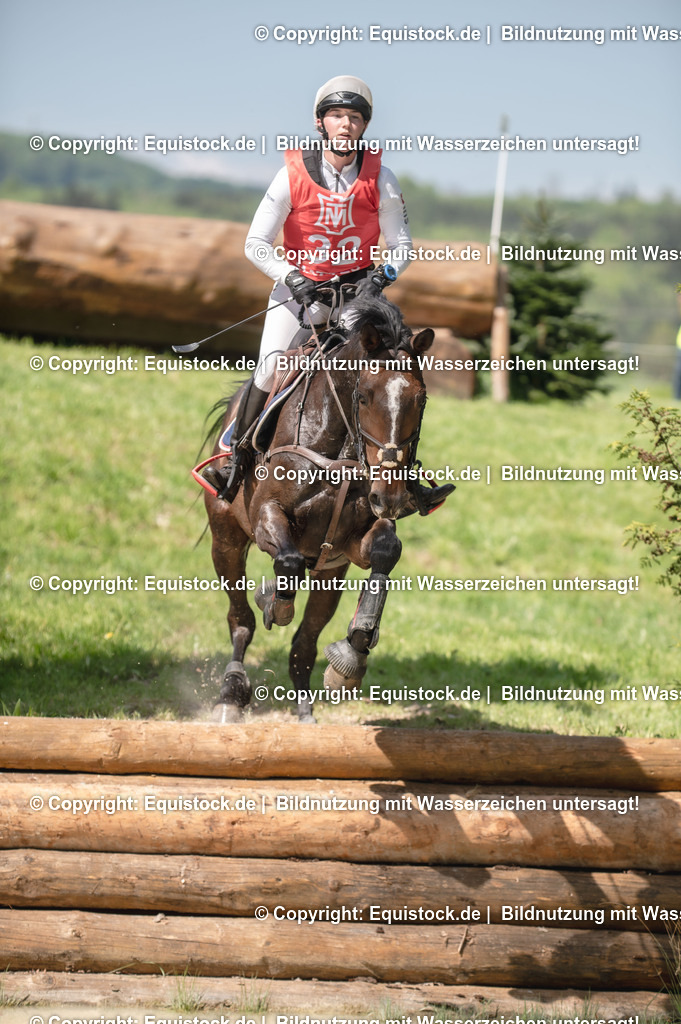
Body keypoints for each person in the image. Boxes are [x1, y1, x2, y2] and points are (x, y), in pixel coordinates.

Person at [208, 75, 453, 514]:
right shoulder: (291, 175)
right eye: (337, 116)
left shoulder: (383, 178)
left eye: (355, 118)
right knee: (268, 370)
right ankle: (233, 457)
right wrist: (293, 276)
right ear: (320, 123)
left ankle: (407, 477)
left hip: (357, 300)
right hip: (299, 295)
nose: (346, 125)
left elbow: (402, 247)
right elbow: (255, 244)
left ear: (363, 126)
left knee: (393, 378)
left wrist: (382, 277)